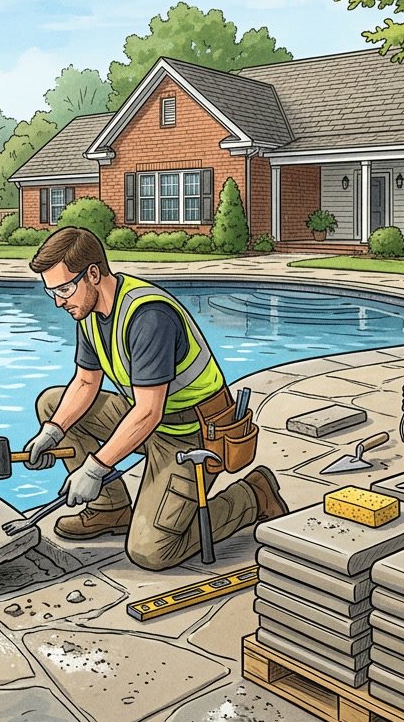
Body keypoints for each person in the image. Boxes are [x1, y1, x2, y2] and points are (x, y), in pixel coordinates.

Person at [23, 227, 288, 571]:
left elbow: (149, 411)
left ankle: (254, 495)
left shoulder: (149, 316)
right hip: (152, 421)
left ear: (93, 274)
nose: (59, 302)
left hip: (192, 433)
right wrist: (52, 432)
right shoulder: (87, 313)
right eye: (52, 293)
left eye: (64, 289)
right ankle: (110, 509)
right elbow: (86, 381)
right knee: (51, 405)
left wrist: (95, 468)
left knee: (152, 551)